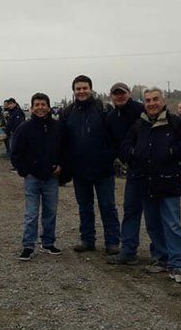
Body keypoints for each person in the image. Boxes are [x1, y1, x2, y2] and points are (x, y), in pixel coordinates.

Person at [119, 88, 181, 284]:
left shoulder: (175, 123)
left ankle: (177, 264)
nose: (151, 103)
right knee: (153, 224)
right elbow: (125, 147)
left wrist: (171, 152)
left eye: (155, 99)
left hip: (168, 181)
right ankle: (161, 258)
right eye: (147, 100)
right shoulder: (139, 124)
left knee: (171, 224)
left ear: (163, 101)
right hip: (146, 182)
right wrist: (134, 153)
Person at [60, 75, 120, 255]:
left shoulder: (103, 109)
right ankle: (87, 239)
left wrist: (110, 156)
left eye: (84, 88)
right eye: (78, 89)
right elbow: (63, 140)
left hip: (103, 169)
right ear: (74, 91)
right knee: (84, 206)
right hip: (79, 170)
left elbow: (114, 136)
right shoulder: (68, 112)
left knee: (107, 206)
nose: (81, 91)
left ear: (91, 89)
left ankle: (112, 242)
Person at [11, 93, 62, 261]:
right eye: (37, 105)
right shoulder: (24, 128)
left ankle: (48, 242)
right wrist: (24, 171)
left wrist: (61, 165)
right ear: (32, 108)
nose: (40, 107)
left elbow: (65, 149)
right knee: (31, 213)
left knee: (50, 212)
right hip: (32, 178)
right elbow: (16, 152)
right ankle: (28, 245)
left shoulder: (57, 127)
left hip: (51, 178)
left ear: (48, 107)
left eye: (43, 104)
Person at [105, 83, 148, 266]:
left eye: (122, 93)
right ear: (112, 96)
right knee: (131, 210)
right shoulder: (111, 117)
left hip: (154, 169)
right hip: (133, 170)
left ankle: (162, 254)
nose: (119, 96)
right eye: (116, 94)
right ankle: (128, 251)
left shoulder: (142, 110)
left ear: (129, 94)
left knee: (158, 213)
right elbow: (112, 142)